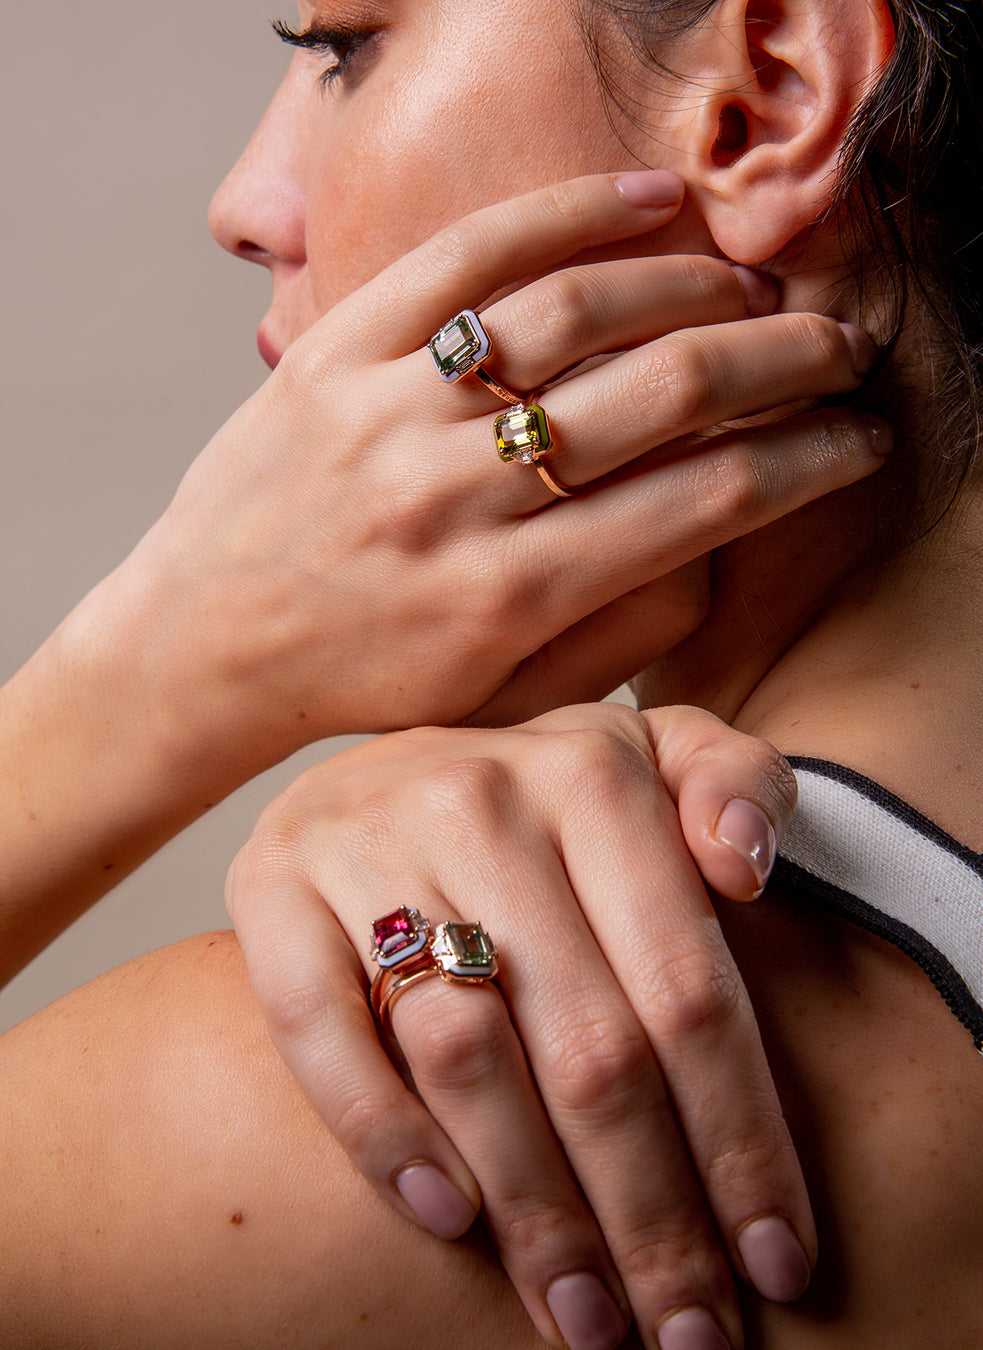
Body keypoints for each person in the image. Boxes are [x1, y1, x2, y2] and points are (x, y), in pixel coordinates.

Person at [2, 0, 982, 1343]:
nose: (245, 202)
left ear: (767, 95)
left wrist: (147, 681)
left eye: (345, 48)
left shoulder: (309, 1131)